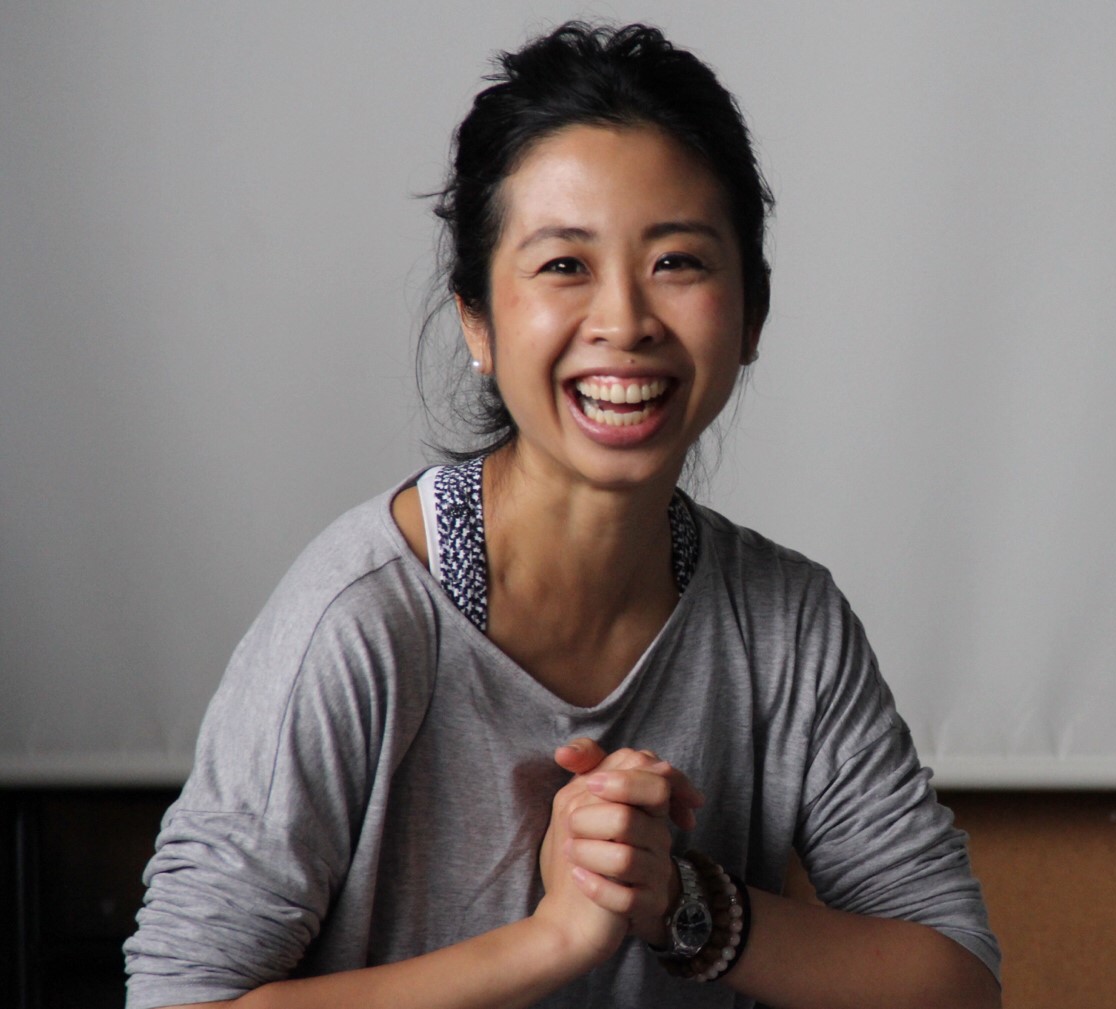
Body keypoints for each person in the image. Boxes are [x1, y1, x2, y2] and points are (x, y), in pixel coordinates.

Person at [125, 22, 1001, 1009]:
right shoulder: (361, 618)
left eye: (677, 261)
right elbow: (177, 1000)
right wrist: (552, 939)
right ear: (477, 320)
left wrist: (683, 901)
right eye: (563, 266)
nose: (623, 320)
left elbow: (956, 981)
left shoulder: (784, 622)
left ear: (751, 315)